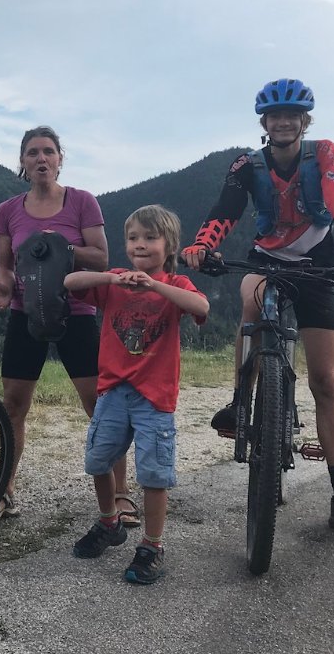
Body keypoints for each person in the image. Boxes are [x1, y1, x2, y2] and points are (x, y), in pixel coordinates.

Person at [180, 79, 334, 532]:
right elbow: (225, 208)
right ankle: (240, 401)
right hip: (266, 260)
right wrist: (201, 244)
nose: (284, 121)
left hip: (317, 268)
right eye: (276, 116)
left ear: (304, 120)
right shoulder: (247, 164)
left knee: (325, 382)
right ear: (265, 123)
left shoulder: (324, 155)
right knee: (250, 301)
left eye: (293, 114)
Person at [0, 125, 131, 522]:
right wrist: (3, 284)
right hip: (24, 313)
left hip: (76, 314)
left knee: (99, 404)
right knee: (13, 406)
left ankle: (121, 493)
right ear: (23, 162)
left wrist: (63, 246)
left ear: (60, 159)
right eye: (33, 153)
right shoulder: (7, 210)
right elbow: (4, 263)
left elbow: (101, 258)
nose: (41, 159)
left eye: (48, 151)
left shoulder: (82, 202)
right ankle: (5, 491)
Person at [65, 205, 209, 584]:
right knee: (98, 460)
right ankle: (109, 522)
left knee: (153, 474)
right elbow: (71, 282)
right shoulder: (113, 280)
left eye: (150, 238)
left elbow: (201, 306)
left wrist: (153, 284)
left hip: (154, 397)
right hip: (113, 390)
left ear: (169, 245)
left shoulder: (175, 285)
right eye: (132, 238)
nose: (140, 245)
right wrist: (113, 281)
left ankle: (152, 545)